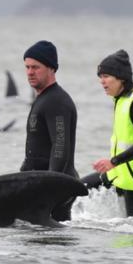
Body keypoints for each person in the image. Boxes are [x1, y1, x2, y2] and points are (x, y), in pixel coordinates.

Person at [84, 50, 133, 219]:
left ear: (120, 77)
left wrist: (113, 161)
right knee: (77, 188)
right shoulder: (122, 100)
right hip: (120, 173)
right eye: (100, 77)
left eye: (106, 76)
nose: (101, 81)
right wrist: (114, 164)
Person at [20, 40, 79, 221]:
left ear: (51, 68)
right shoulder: (44, 98)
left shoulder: (56, 101)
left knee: (52, 244)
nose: (30, 72)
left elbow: (60, 146)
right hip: (43, 183)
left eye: (36, 67)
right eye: (27, 67)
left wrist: (50, 186)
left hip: (55, 187)